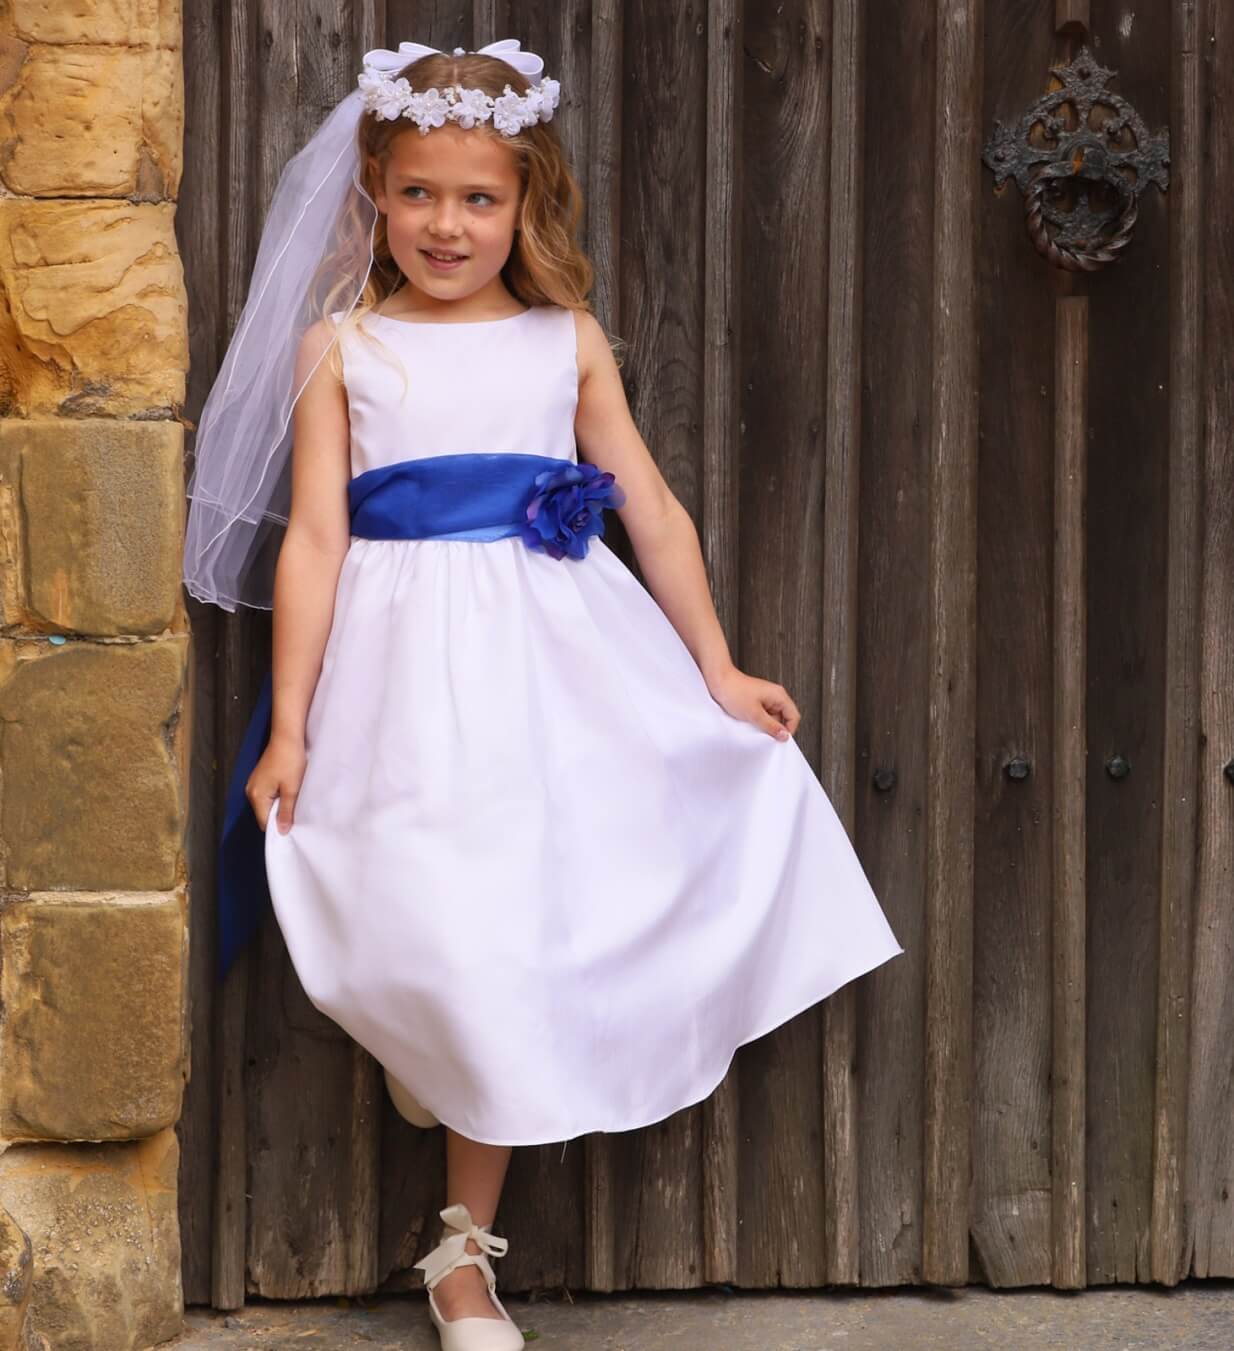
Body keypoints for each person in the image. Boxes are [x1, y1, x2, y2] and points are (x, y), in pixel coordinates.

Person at [182, 37, 904, 1351]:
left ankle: (461, 1257)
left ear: (526, 206)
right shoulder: (339, 347)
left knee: (511, 931)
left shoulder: (562, 342)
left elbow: (656, 512)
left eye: (477, 198)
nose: (445, 225)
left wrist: (717, 667)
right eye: (417, 195)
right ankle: (433, 1045)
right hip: (398, 673)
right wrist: (287, 726)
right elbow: (312, 542)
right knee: (430, 921)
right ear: (374, 194)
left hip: (551, 665)